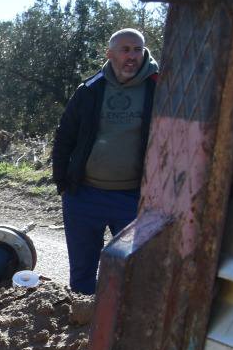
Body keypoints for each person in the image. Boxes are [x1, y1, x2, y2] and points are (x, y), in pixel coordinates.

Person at [51, 28, 160, 294]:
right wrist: (63, 182)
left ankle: (118, 331)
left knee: (133, 273)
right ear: (110, 54)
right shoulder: (90, 89)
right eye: (125, 50)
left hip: (133, 199)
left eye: (137, 49)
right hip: (84, 197)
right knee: (82, 276)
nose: (132, 56)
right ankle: (81, 328)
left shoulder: (159, 87)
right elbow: (65, 136)